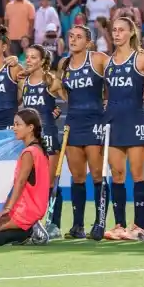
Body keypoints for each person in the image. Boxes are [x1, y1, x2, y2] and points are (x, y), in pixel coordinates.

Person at [102, 17, 144, 241]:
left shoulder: (142, 59)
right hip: (113, 119)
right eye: (114, 30)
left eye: (121, 30)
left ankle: (140, 225)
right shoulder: (107, 62)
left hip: (135, 118)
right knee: (118, 174)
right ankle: (120, 224)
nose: (116, 34)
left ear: (131, 32)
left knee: (138, 173)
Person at [58, 25, 109, 239]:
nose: (73, 40)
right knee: (77, 176)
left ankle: (100, 222)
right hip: (73, 120)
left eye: (79, 37)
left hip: (94, 120)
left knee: (97, 174)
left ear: (88, 42)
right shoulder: (64, 63)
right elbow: (62, 91)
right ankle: (77, 225)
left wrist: (108, 101)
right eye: (71, 36)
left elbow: (116, 77)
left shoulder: (98, 59)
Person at [0, 108, 50, 246]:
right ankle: (29, 230)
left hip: (25, 211)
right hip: (31, 209)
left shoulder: (29, 152)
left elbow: (20, 182)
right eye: (14, 125)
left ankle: (30, 231)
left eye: (18, 125)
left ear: (30, 128)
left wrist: (8, 209)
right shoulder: (39, 150)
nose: (14, 128)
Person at [21, 45, 64, 238]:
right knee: (31, 182)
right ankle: (32, 222)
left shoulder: (51, 81)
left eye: (33, 58)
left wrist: (56, 111)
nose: (28, 60)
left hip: (48, 135)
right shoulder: (24, 82)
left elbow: (68, 98)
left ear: (42, 61)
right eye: (27, 57)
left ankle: (53, 223)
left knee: (49, 182)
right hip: (31, 139)